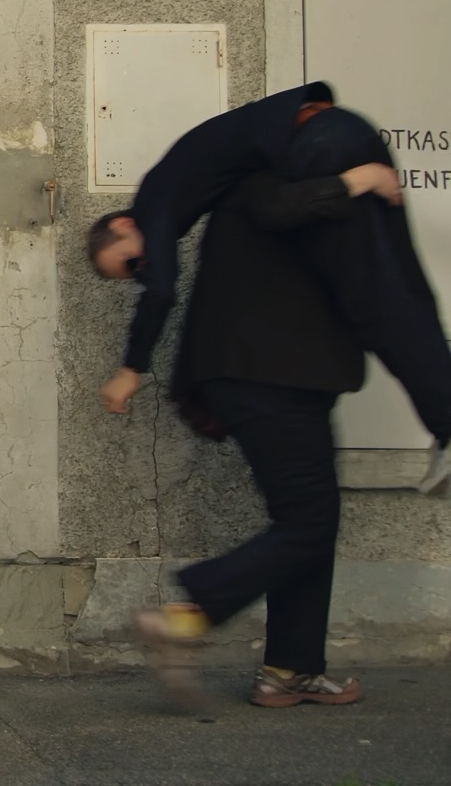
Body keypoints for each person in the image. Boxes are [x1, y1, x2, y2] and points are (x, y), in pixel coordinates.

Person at [89, 85, 451, 496]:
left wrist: (131, 369)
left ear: (122, 225)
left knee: (381, 301)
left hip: (319, 143)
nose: (143, 269)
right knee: (393, 292)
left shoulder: (154, 199)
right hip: (335, 135)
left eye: (130, 263)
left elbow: (161, 291)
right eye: (134, 273)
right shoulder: (189, 185)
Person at [127, 164, 401, 708]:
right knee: (310, 524)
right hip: (275, 384)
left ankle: (289, 670)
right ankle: (186, 618)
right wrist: (360, 179)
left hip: (282, 383)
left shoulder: (259, 196)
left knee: (308, 525)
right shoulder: (264, 190)